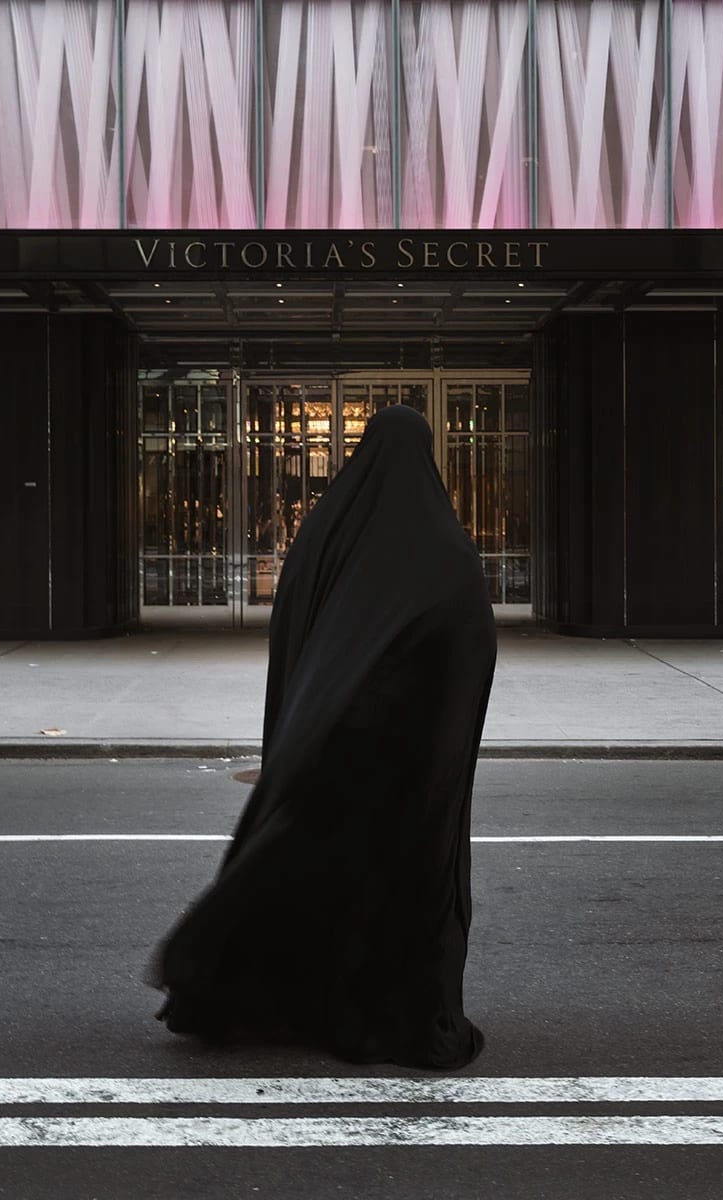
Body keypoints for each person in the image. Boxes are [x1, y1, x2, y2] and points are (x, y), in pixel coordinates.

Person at [150, 404, 497, 1070]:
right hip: (410, 763)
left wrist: (306, 725)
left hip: (332, 749)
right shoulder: (443, 549)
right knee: (399, 881)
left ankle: (289, 993)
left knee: (312, 863)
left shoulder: (327, 532)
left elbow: (295, 630)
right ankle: (381, 1005)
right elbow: (467, 651)